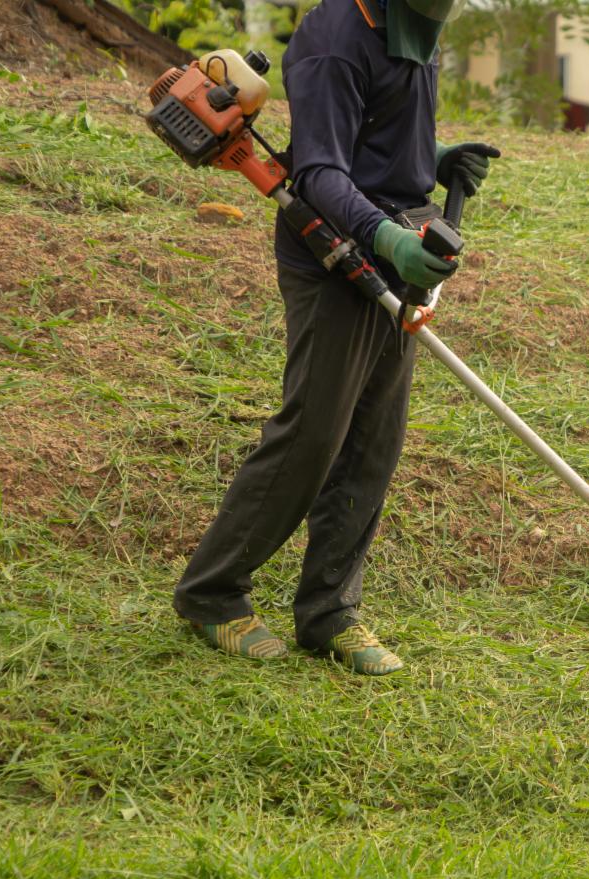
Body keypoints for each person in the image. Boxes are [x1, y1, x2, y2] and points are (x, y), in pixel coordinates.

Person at [172, 0, 499, 676]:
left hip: (399, 243)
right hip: (335, 252)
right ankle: (212, 594)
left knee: (374, 437)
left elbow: (373, 129)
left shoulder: (417, 30)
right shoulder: (332, 38)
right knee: (315, 432)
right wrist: (385, 240)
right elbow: (320, 172)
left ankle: (328, 612)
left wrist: (433, 157)